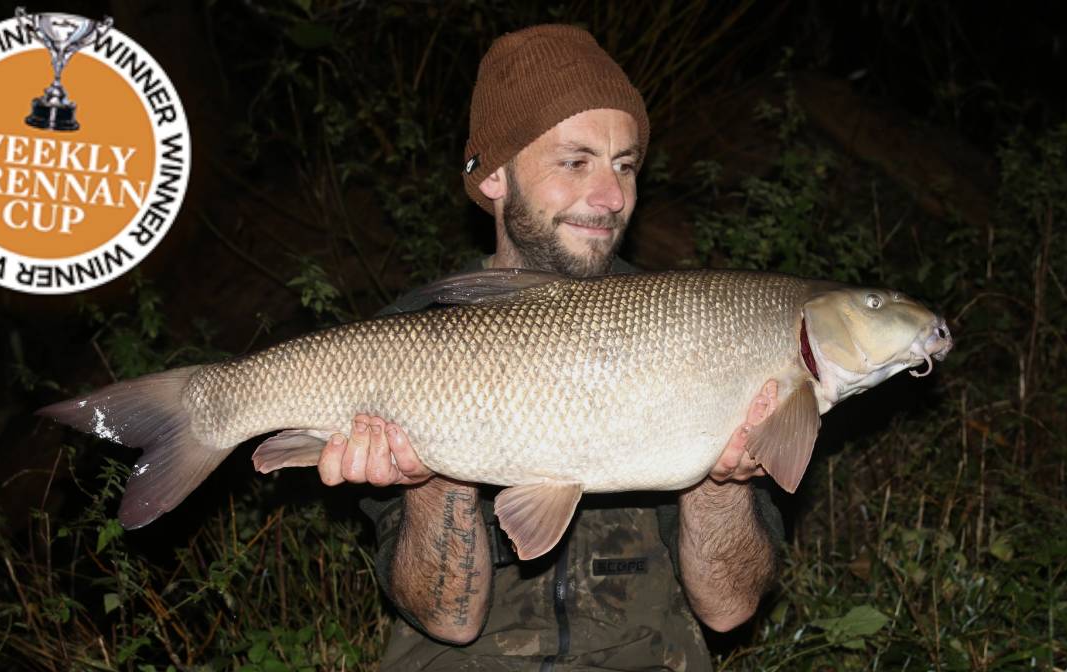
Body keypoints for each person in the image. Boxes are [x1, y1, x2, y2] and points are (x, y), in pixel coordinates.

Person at [316, 24, 783, 671]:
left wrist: (720, 482)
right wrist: (432, 477)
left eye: (625, 165)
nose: (612, 196)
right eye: (576, 161)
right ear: (493, 177)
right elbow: (446, 617)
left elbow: (729, 609)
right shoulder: (410, 338)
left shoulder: (693, 322)